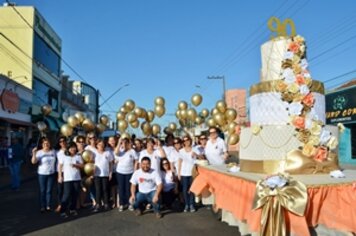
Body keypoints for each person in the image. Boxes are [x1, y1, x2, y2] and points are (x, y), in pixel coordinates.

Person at [58, 141, 84, 218]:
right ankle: (63, 211)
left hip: (76, 178)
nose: (73, 149)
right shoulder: (64, 156)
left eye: (74, 147)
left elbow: (82, 166)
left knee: (75, 194)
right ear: (68, 149)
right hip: (67, 179)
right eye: (71, 147)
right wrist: (60, 176)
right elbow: (60, 166)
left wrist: (76, 165)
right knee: (66, 195)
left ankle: (72, 209)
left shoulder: (78, 156)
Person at [31, 137, 56, 213]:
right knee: (43, 190)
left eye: (47, 143)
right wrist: (34, 153)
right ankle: (42, 206)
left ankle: (48, 205)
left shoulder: (53, 151)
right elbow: (33, 162)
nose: (46, 144)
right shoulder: (39, 152)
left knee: (49, 191)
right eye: (44, 143)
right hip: (42, 174)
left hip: (51, 173)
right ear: (42, 145)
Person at [114, 137, 138, 212]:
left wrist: (135, 170)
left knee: (129, 189)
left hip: (130, 172)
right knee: (121, 189)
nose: (124, 144)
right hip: (120, 172)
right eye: (122, 143)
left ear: (128, 143)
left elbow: (136, 160)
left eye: (125, 142)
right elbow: (116, 153)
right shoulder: (120, 150)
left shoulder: (132, 151)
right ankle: (121, 204)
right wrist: (119, 142)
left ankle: (130, 203)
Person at [92, 138, 113, 212]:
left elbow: (110, 163)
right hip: (97, 174)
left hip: (105, 174)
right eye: (99, 144)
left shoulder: (108, 153)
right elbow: (91, 163)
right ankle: (98, 204)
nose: (101, 146)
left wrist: (110, 173)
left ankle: (106, 204)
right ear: (97, 145)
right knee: (98, 190)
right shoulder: (94, 153)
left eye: (102, 144)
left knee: (105, 189)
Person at [178, 135, 197, 213]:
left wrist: (196, 155)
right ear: (183, 142)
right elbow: (180, 162)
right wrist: (179, 173)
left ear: (190, 141)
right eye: (184, 141)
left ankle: (192, 204)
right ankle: (187, 204)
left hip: (192, 173)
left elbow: (200, 158)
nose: (186, 142)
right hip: (184, 173)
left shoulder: (194, 149)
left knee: (192, 189)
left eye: (188, 140)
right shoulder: (181, 151)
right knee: (185, 190)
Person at [55, 137, 67, 212]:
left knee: (67, 190)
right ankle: (60, 204)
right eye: (60, 142)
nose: (62, 143)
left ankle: (67, 204)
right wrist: (59, 175)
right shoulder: (57, 152)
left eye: (64, 141)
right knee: (60, 190)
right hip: (60, 172)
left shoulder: (70, 150)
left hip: (68, 171)